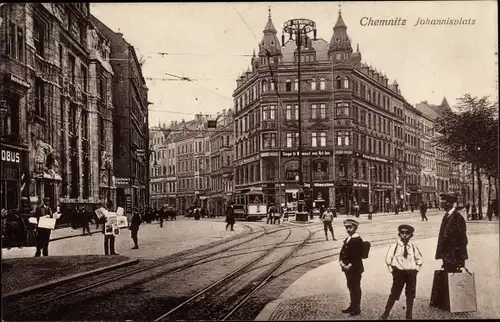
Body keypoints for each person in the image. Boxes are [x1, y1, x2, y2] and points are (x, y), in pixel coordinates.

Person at [379, 224, 423, 320]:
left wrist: (416, 270)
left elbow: (419, 259)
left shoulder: (413, 247)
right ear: (399, 234)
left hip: (411, 274)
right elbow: (388, 260)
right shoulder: (394, 246)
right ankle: (386, 313)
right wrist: (393, 272)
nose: (404, 235)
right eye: (402, 232)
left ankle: (409, 315)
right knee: (394, 294)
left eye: (407, 233)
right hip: (399, 274)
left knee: (410, 295)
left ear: (411, 235)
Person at [435, 193, 468, 273]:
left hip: (454, 256)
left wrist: (460, 260)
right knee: (447, 279)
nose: (443, 204)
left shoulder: (458, 218)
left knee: (454, 280)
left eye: (445, 202)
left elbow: (463, 240)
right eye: (442, 202)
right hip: (447, 256)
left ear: (451, 203)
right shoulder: (447, 216)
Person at [339, 219, 364, 316]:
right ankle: (352, 305)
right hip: (347, 268)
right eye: (347, 228)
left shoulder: (357, 239)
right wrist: (341, 262)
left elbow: (358, 255)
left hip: (355, 268)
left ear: (355, 227)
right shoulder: (349, 238)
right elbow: (343, 252)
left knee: (355, 287)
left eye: (350, 227)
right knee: (351, 287)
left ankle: (356, 308)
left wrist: (349, 265)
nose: (348, 229)